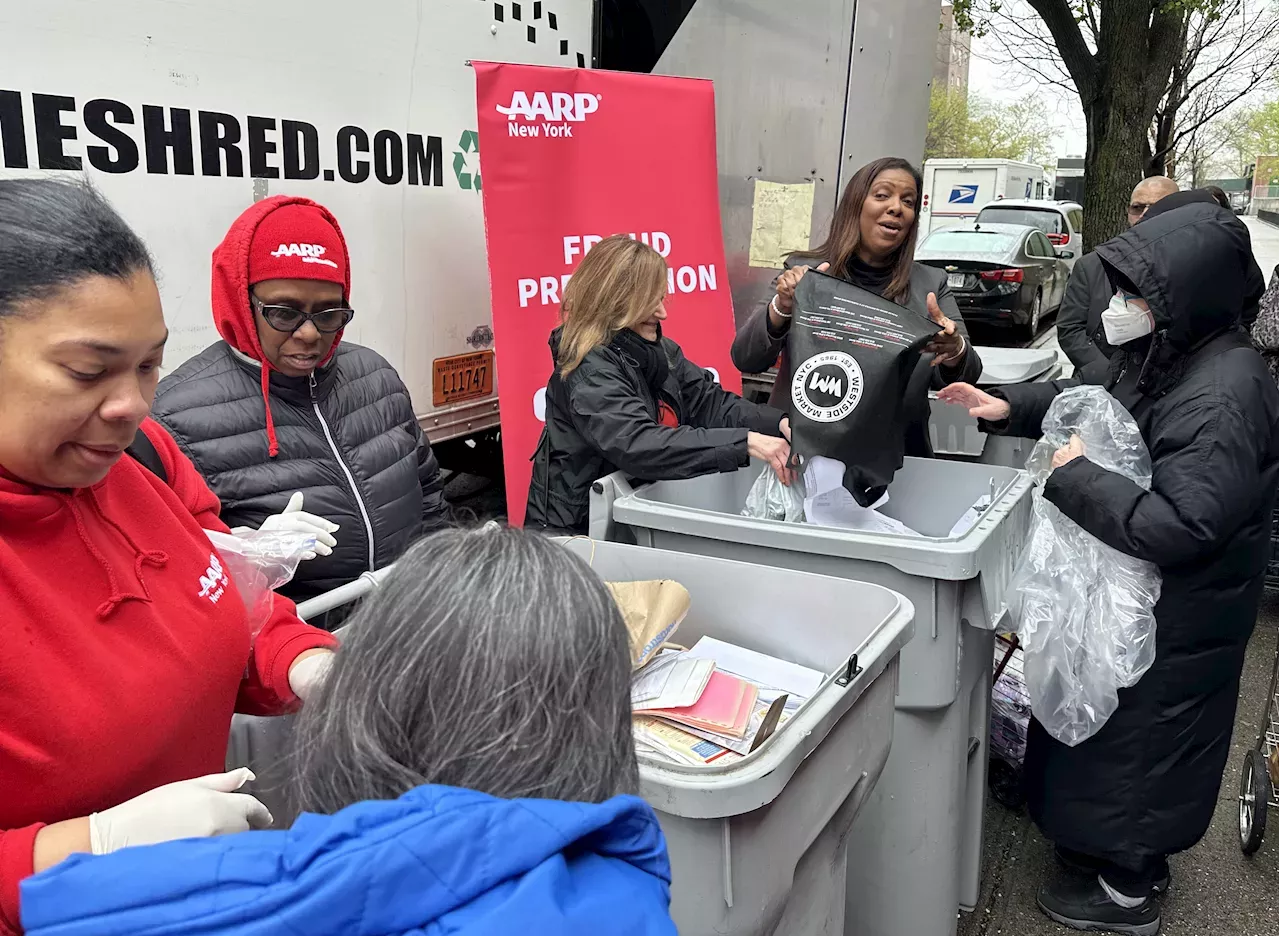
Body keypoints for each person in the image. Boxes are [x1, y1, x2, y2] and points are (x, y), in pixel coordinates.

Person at [19, 529, 678, 936]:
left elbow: (43, 902)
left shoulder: (182, 894)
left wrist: (90, 846)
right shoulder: (626, 898)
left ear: (366, 700)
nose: (128, 402)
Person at [0, 179, 339, 936]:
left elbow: (233, 612)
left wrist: (308, 662)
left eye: (149, 365)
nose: (132, 405)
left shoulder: (145, 460)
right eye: (90, 371)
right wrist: (85, 848)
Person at [939, 191, 1280, 936]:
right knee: (1109, 734)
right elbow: (1097, 400)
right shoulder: (1179, 353)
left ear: (1181, 292)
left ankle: (1130, 887)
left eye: (1136, 290)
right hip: (1143, 598)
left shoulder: (1226, 391)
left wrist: (1074, 476)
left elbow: (1185, 523)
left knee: (1146, 749)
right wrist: (1006, 406)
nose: (1120, 303)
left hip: (1182, 610)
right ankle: (1094, 845)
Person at [151, 195, 446, 610]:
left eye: (329, 313)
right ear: (241, 299)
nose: (309, 334)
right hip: (295, 652)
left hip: (408, 624)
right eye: (284, 313)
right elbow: (171, 582)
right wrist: (245, 557)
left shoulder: (375, 375)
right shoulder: (173, 419)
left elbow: (430, 495)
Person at [526, 234, 792, 533]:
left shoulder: (659, 352)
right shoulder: (587, 367)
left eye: (661, 298)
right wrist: (744, 442)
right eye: (649, 301)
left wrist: (779, 422)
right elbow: (638, 443)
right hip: (573, 533)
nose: (662, 312)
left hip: (623, 516)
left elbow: (709, 402)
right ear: (614, 301)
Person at [732, 156, 982, 459]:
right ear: (855, 204)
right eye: (882, 195)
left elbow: (967, 373)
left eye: (908, 201)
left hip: (897, 463)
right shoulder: (804, 272)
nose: (896, 207)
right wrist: (783, 306)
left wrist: (954, 348)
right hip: (800, 454)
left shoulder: (930, 285)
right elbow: (746, 357)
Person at [1056, 176, 1180, 384]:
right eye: (1137, 207)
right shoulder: (1091, 265)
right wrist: (1106, 372)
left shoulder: (1193, 268)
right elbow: (1070, 329)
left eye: (1157, 207)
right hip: (1100, 388)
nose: (1145, 215)